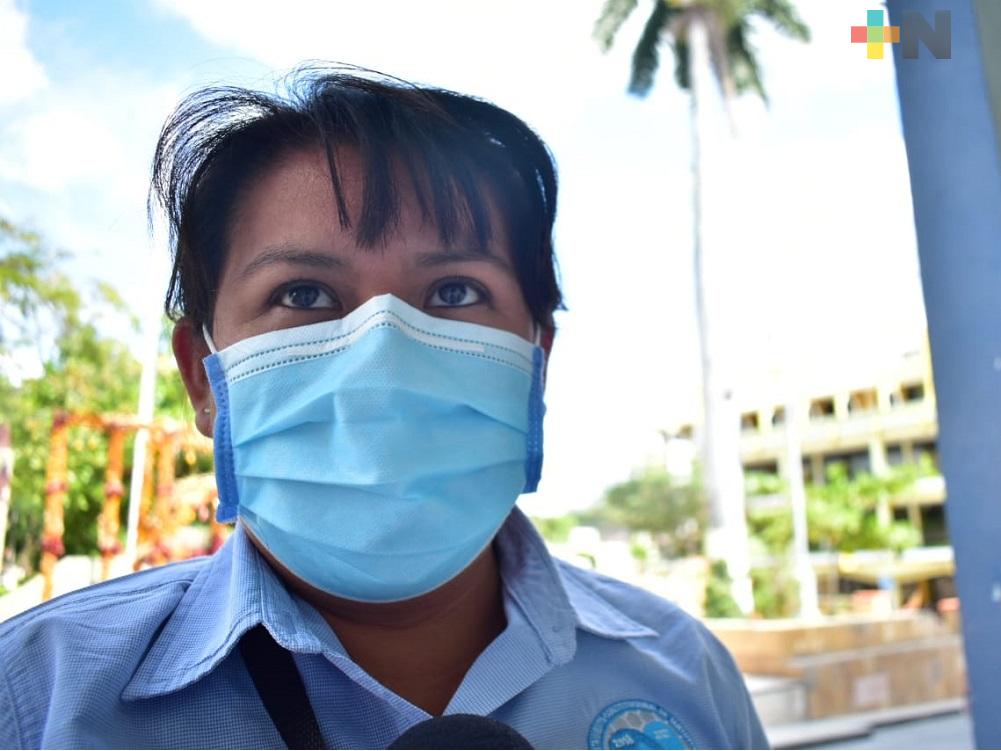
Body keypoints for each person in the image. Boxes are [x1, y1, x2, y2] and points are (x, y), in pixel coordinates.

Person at [0, 66, 768, 750]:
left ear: (537, 362)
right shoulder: (38, 699)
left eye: (454, 292)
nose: (383, 352)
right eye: (303, 294)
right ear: (203, 377)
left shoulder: (683, 672)